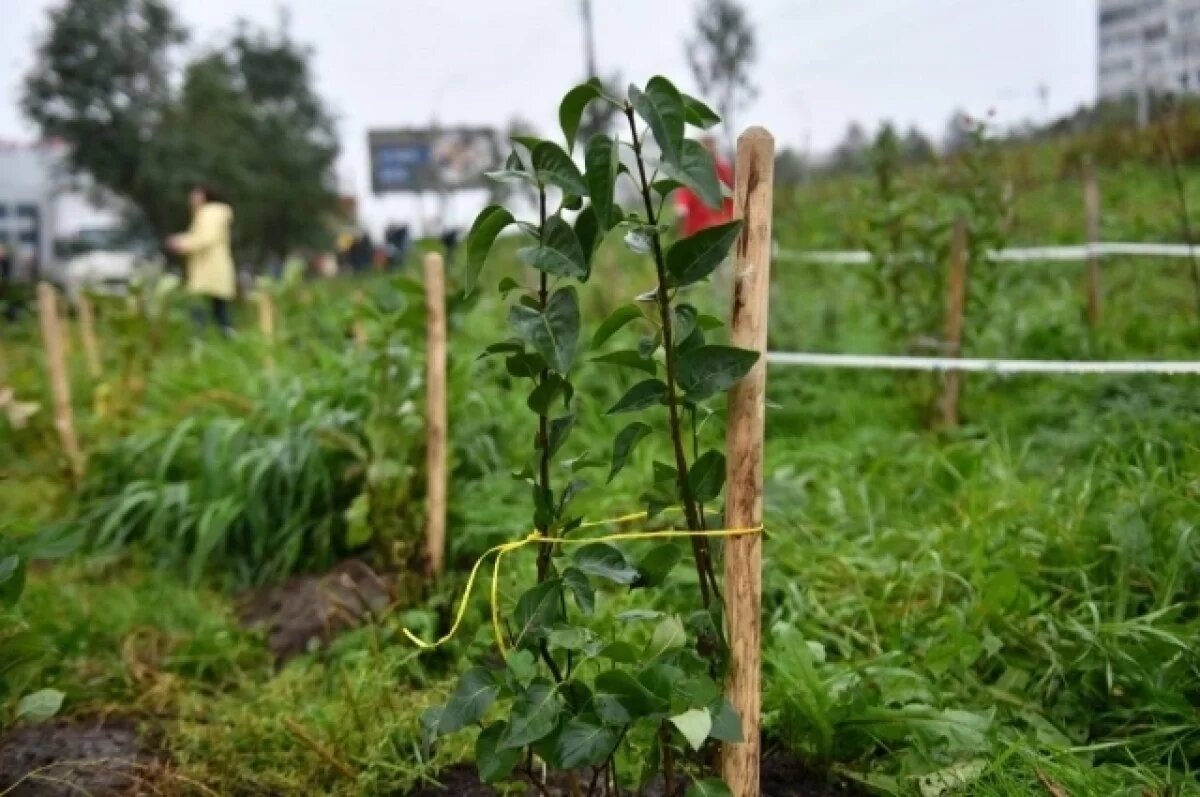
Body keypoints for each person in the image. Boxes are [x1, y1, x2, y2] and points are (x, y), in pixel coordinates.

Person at [167, 185, 235, 334]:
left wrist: (181, 243)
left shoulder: (209, 214)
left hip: (209, 269)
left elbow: (206, 238)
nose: (192, 199)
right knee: (219, 308)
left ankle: (199, 340)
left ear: (205, 197)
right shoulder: (211, 213)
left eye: (196, 195)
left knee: (199, 306)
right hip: (213, 269)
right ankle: (227, 338)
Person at [675, 135, 734, 237]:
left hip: (719, 223)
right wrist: (682, 209)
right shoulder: (690, 170)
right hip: (697, 225)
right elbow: (684, 194)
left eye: (711, 146)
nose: (710, 150)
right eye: (706, 146)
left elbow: (730, 193)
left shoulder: (723, 169)